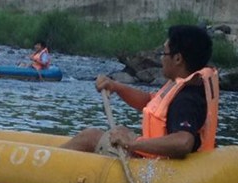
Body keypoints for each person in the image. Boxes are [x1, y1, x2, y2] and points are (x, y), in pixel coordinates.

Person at [61, 25, 218, 159]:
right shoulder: (182, 84)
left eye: (164, 53)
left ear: (177, 59)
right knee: (116, 131)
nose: (162, 59)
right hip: (156, 160)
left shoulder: (187, 99)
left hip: (159, 169)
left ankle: (49, 166)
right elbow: (149, 101)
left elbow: (183, 142)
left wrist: (132, 144)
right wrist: (116, 86)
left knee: (90, 137)